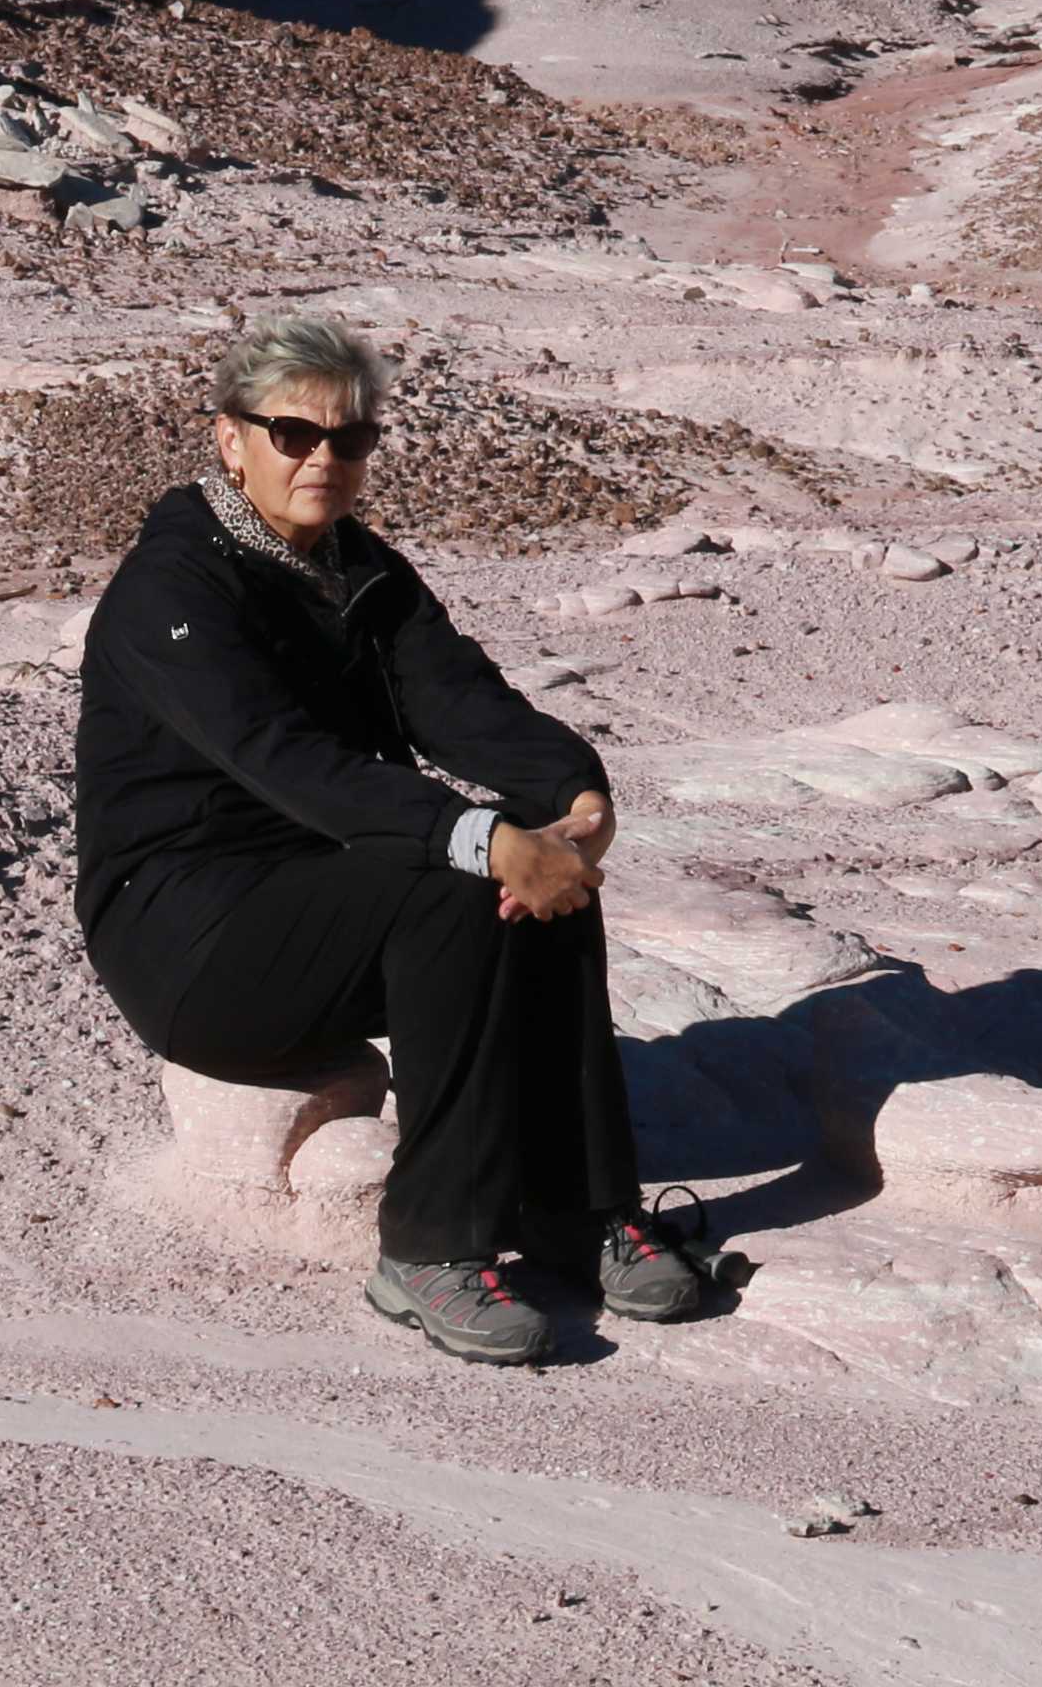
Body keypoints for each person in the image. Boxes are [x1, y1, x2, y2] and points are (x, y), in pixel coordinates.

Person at [73, 310, 715, 1363]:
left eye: (350, 439)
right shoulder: (174, 590)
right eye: (294, 435)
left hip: (323, 891)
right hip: (186, 935)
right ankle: (430, 1245)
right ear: (231, 440)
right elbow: (282, 760)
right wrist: (476, 837)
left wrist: (572, 798)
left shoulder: (356, 567)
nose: (323, 459)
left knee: (539, 882)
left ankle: (576, 1204)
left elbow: (459, 701)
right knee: (460, 879)